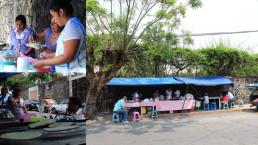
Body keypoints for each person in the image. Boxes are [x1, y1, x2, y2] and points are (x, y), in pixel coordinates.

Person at [33, 0, 86, 73]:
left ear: (61, 12)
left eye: (54, 16)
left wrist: (43, 63)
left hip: (73, 71)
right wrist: (48, 56)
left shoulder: (71, 28)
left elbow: (67, 57)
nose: (54, 19)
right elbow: (63, 53)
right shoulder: (71, 25)